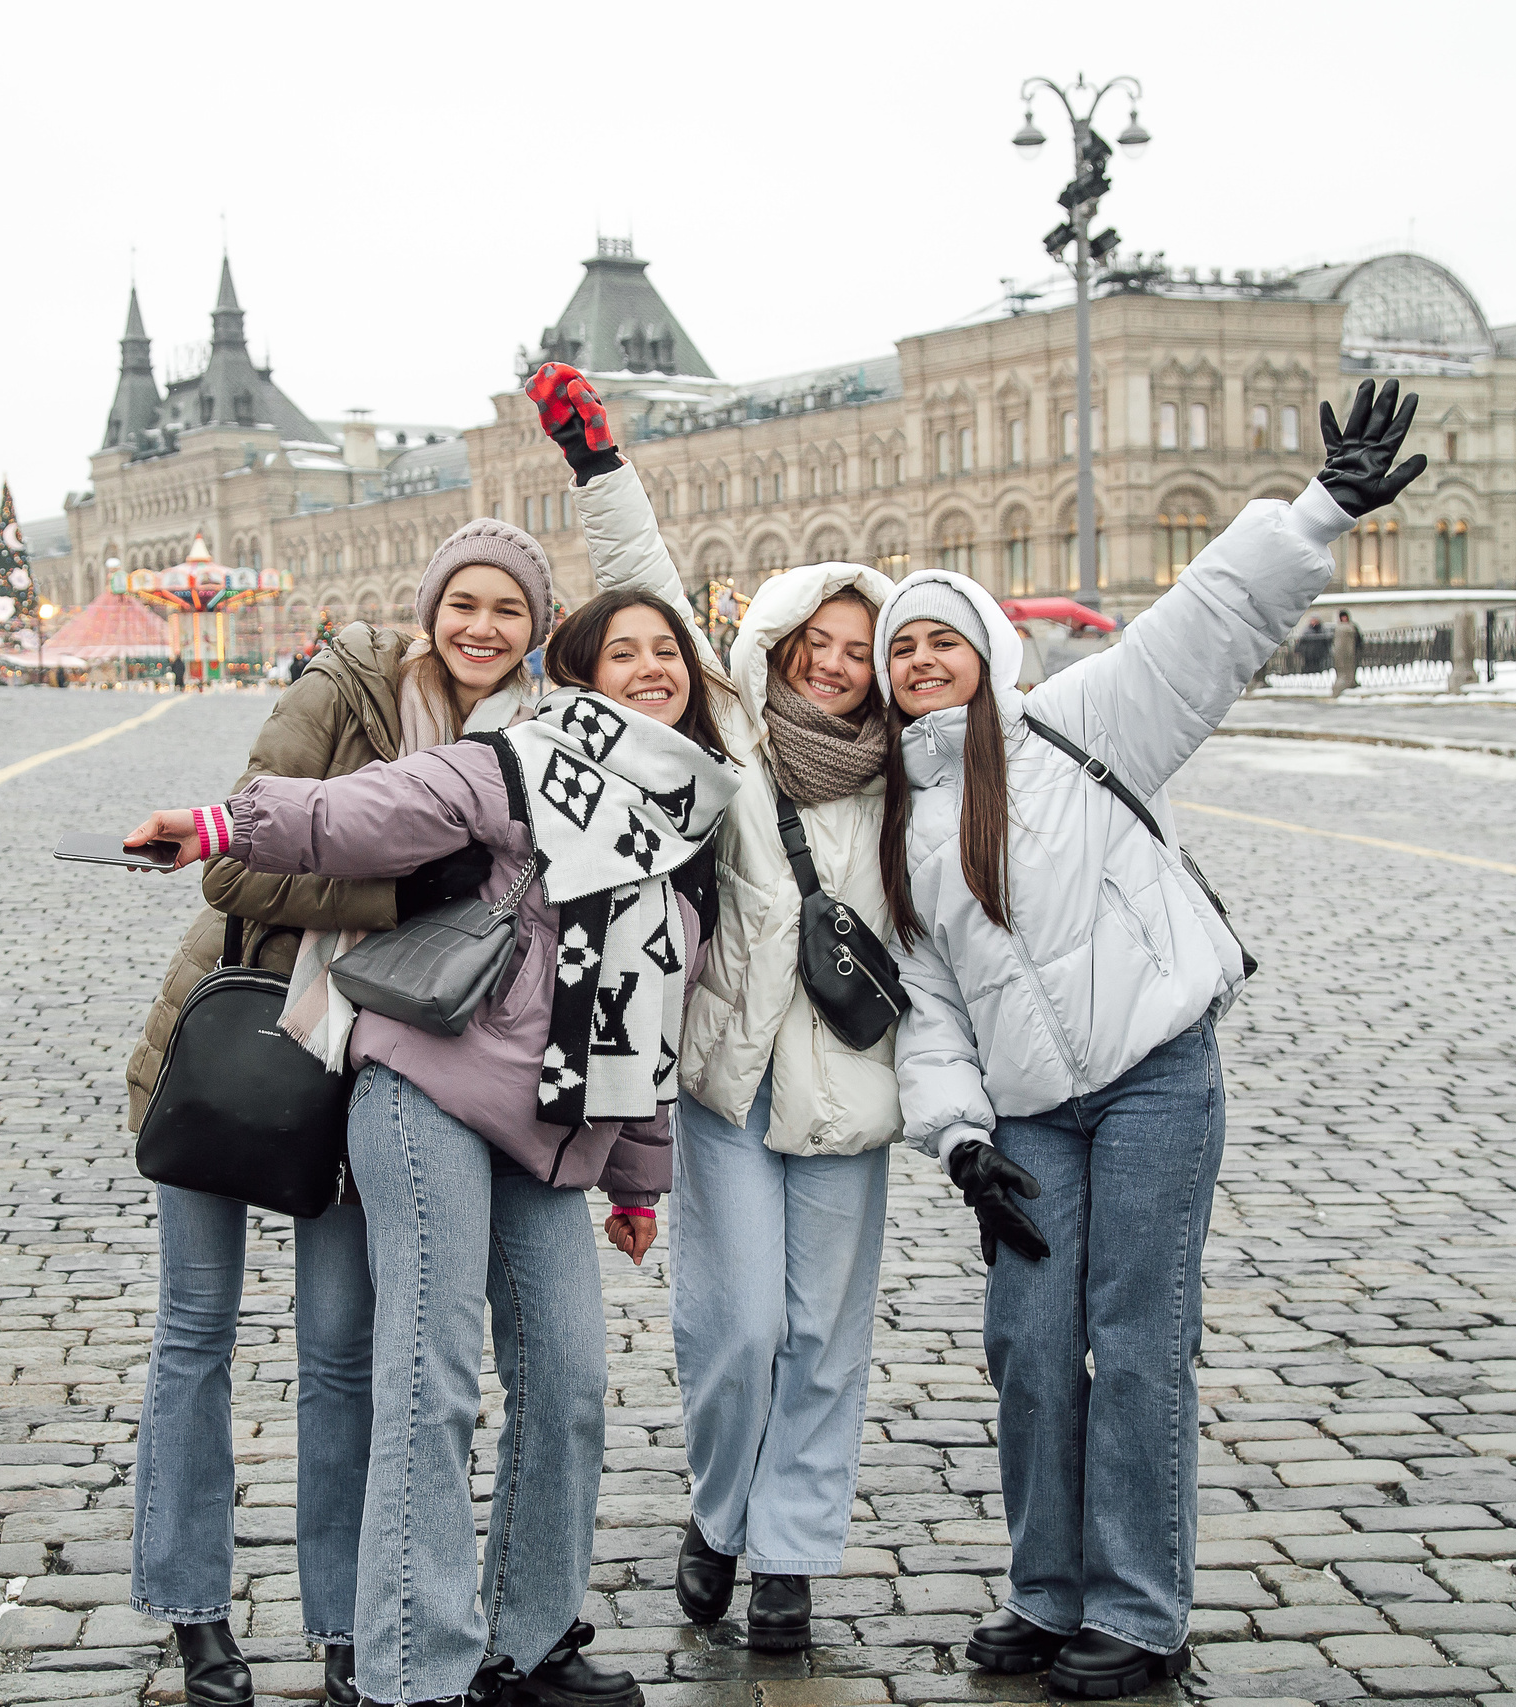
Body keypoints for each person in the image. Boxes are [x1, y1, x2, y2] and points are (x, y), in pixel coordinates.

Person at [880, 380, 1425, 1699]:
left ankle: (1135, 1606)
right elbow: (931, 1009)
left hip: (1153, 1080)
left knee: (1133, 1338)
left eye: (941, 641)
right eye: (903, 654)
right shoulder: (896, 830)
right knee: (1026, 1341)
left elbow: (1210, 621)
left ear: (990, 648)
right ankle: (1044, 1587)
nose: (919, 665)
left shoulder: (1084, 717)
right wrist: (958, 1140)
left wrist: (1318, 509)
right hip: (1023, 1118)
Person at [124, 587, 739, 1707]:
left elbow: (659, 1014)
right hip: (430, 1088)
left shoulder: (695, 818)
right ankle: (412, 1668)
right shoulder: (516, 759)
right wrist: (218, 826)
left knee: (570, 1384)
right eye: (626, 652)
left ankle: (526, 1635)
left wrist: (640, 1181)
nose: (653, 668)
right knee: (430, 1376)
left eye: (670, 652)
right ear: (577, 677)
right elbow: (362, 812)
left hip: (551, 1130)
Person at [121, 518, 557, 1707]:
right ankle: (191, 1605)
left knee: (339, 1355)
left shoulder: (539, 741)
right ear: (431, 607)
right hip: (240, 1042)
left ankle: (340, 1621)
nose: (481, 627)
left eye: (508, 610)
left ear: (534, 631)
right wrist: (399, 884)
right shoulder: (350, 685)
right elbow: (230, 861)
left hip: (370, 1068)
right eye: (463, 602)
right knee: (196, 1328)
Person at [530, 361, 901, 1651]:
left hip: (850, 1092)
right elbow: (663, 610)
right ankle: (718, 1515)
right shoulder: (733, 738)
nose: (844, 669)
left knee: (823, 1338)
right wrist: (599, 470)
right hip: (730, 1082)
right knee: (737, 1329)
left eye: (864, 652)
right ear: (786, 645)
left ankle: (788, 1561)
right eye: (823, 646)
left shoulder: (911, 779)